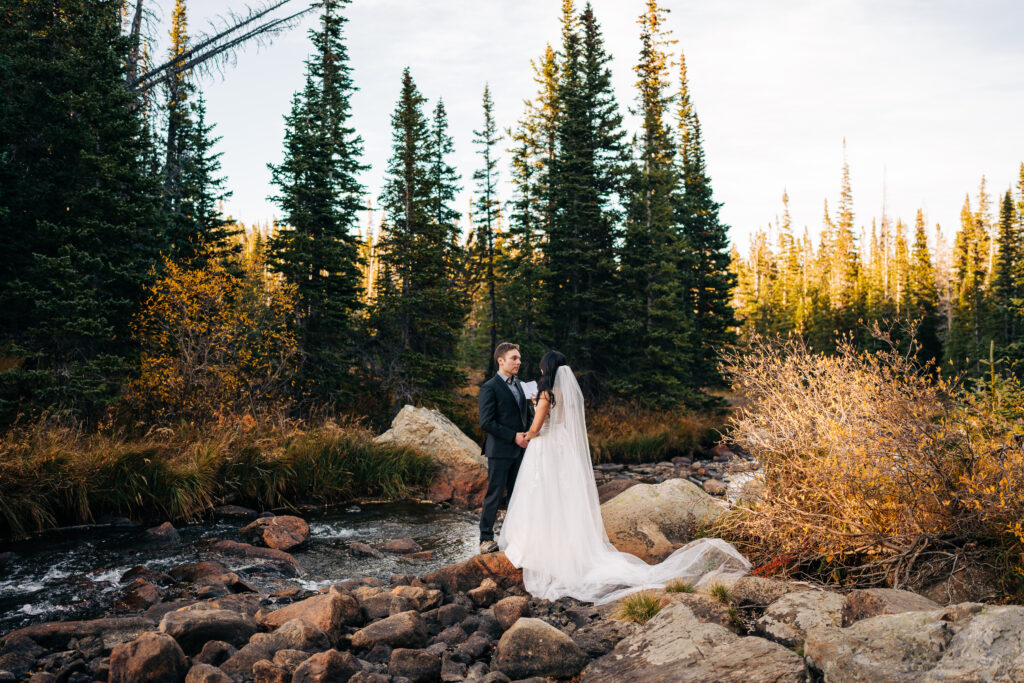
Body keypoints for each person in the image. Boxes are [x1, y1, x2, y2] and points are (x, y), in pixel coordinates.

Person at [497, 350, 751, 605]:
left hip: (547, 446)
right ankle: (568, 546)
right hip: (563, 447)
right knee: (562, 495)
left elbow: (538, 425)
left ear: (546, 369)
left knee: (542, 493)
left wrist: (525, 436)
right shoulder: (564, 393)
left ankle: (542, 545)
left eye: (542, 367)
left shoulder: (545, 393)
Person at [476, 342, 534, 555]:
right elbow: (485, 422)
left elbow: (525, 415)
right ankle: (485, 539)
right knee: (494, 494)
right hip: (499, 451)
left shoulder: (520, 385)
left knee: (517, 496)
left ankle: (514, 538)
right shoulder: (490, 387)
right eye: (514, 358)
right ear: (501, 361)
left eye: (519, 358)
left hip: (521, 450)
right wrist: (513, 437)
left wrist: (529, 432)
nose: (519, 362)